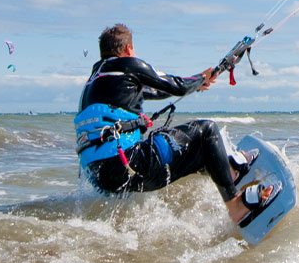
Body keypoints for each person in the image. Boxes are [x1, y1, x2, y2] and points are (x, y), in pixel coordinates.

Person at [74, 23, 276, 218]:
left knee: (188, 148)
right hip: (127, 164)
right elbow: (174, 85)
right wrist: (199, 79)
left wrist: (197, 82)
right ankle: (235, 205)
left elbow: (153, 91)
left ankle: (229, 171)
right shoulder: (127, 65)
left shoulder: (94, 83)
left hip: (100, 178)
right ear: (128, 49)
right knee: (206, 130)